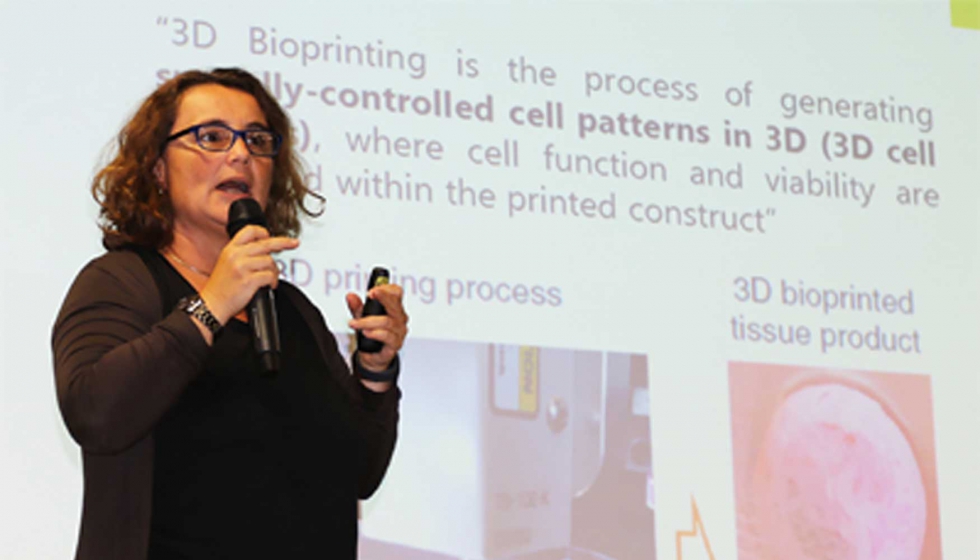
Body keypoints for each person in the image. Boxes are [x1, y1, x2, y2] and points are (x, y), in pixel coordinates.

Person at [51, 67, 408, 560]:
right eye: (212, 137)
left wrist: (374, 370)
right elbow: (96, 414)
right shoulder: (122, 281)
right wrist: (213, 304)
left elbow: (359, 471)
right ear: (158, 168)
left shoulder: (293, 310)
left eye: (257, 140)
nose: (241, 154)